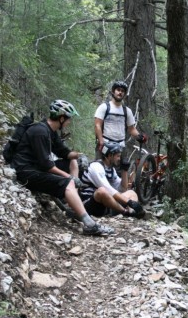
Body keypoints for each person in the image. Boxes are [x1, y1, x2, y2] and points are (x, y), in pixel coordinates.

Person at [12, 100, 114, 236]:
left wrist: (79, 156)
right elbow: (46, 165)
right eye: (68, 119)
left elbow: (64, 153)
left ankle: (76, 203)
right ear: (61, 118)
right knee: (68, 183)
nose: (69, 122)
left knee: (72, 161)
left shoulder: (51, 131)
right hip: (26, 172)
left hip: (36, 168)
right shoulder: (40, 132)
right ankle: (89, 224)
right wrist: (69, 177)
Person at [94, 80, 148, 183]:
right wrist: (101, 142)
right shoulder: (104, 107)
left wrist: (139, 137)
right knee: (99, 171)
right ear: (113, 91)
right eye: (118, 90)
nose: (120, 92)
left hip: (120, 146)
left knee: (119, 174)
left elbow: (131, 129)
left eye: (122, 91)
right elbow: (97, 125)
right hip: (105, 144)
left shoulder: (126, 111)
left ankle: (118, 196)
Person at [79, 143, 146, 219]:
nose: (119, 159)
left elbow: (122, 189)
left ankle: (131, 212)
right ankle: (125, 212)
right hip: (91, 204)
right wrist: (129, 202)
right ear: (110, 155)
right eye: (118, 156)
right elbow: (108, 189)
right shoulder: (96, 167)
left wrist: (124, 170)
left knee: (132, 193)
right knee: (102, 191)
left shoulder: (111, 169)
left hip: (107, 204)